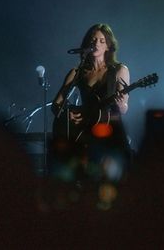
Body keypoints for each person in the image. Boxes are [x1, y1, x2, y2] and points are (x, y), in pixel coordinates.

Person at [50, 24, 131, 208]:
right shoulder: (77, 72)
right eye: (93, 40)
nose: (97, 44)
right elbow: (56, 105)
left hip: (109, 130)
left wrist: (120, 103)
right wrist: (70, 113)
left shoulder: (119, 70)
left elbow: (124, 108)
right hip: (83, 131)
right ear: (87, 43)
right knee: (78, 178)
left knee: (109, 180)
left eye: (102, 41)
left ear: (109, 46)